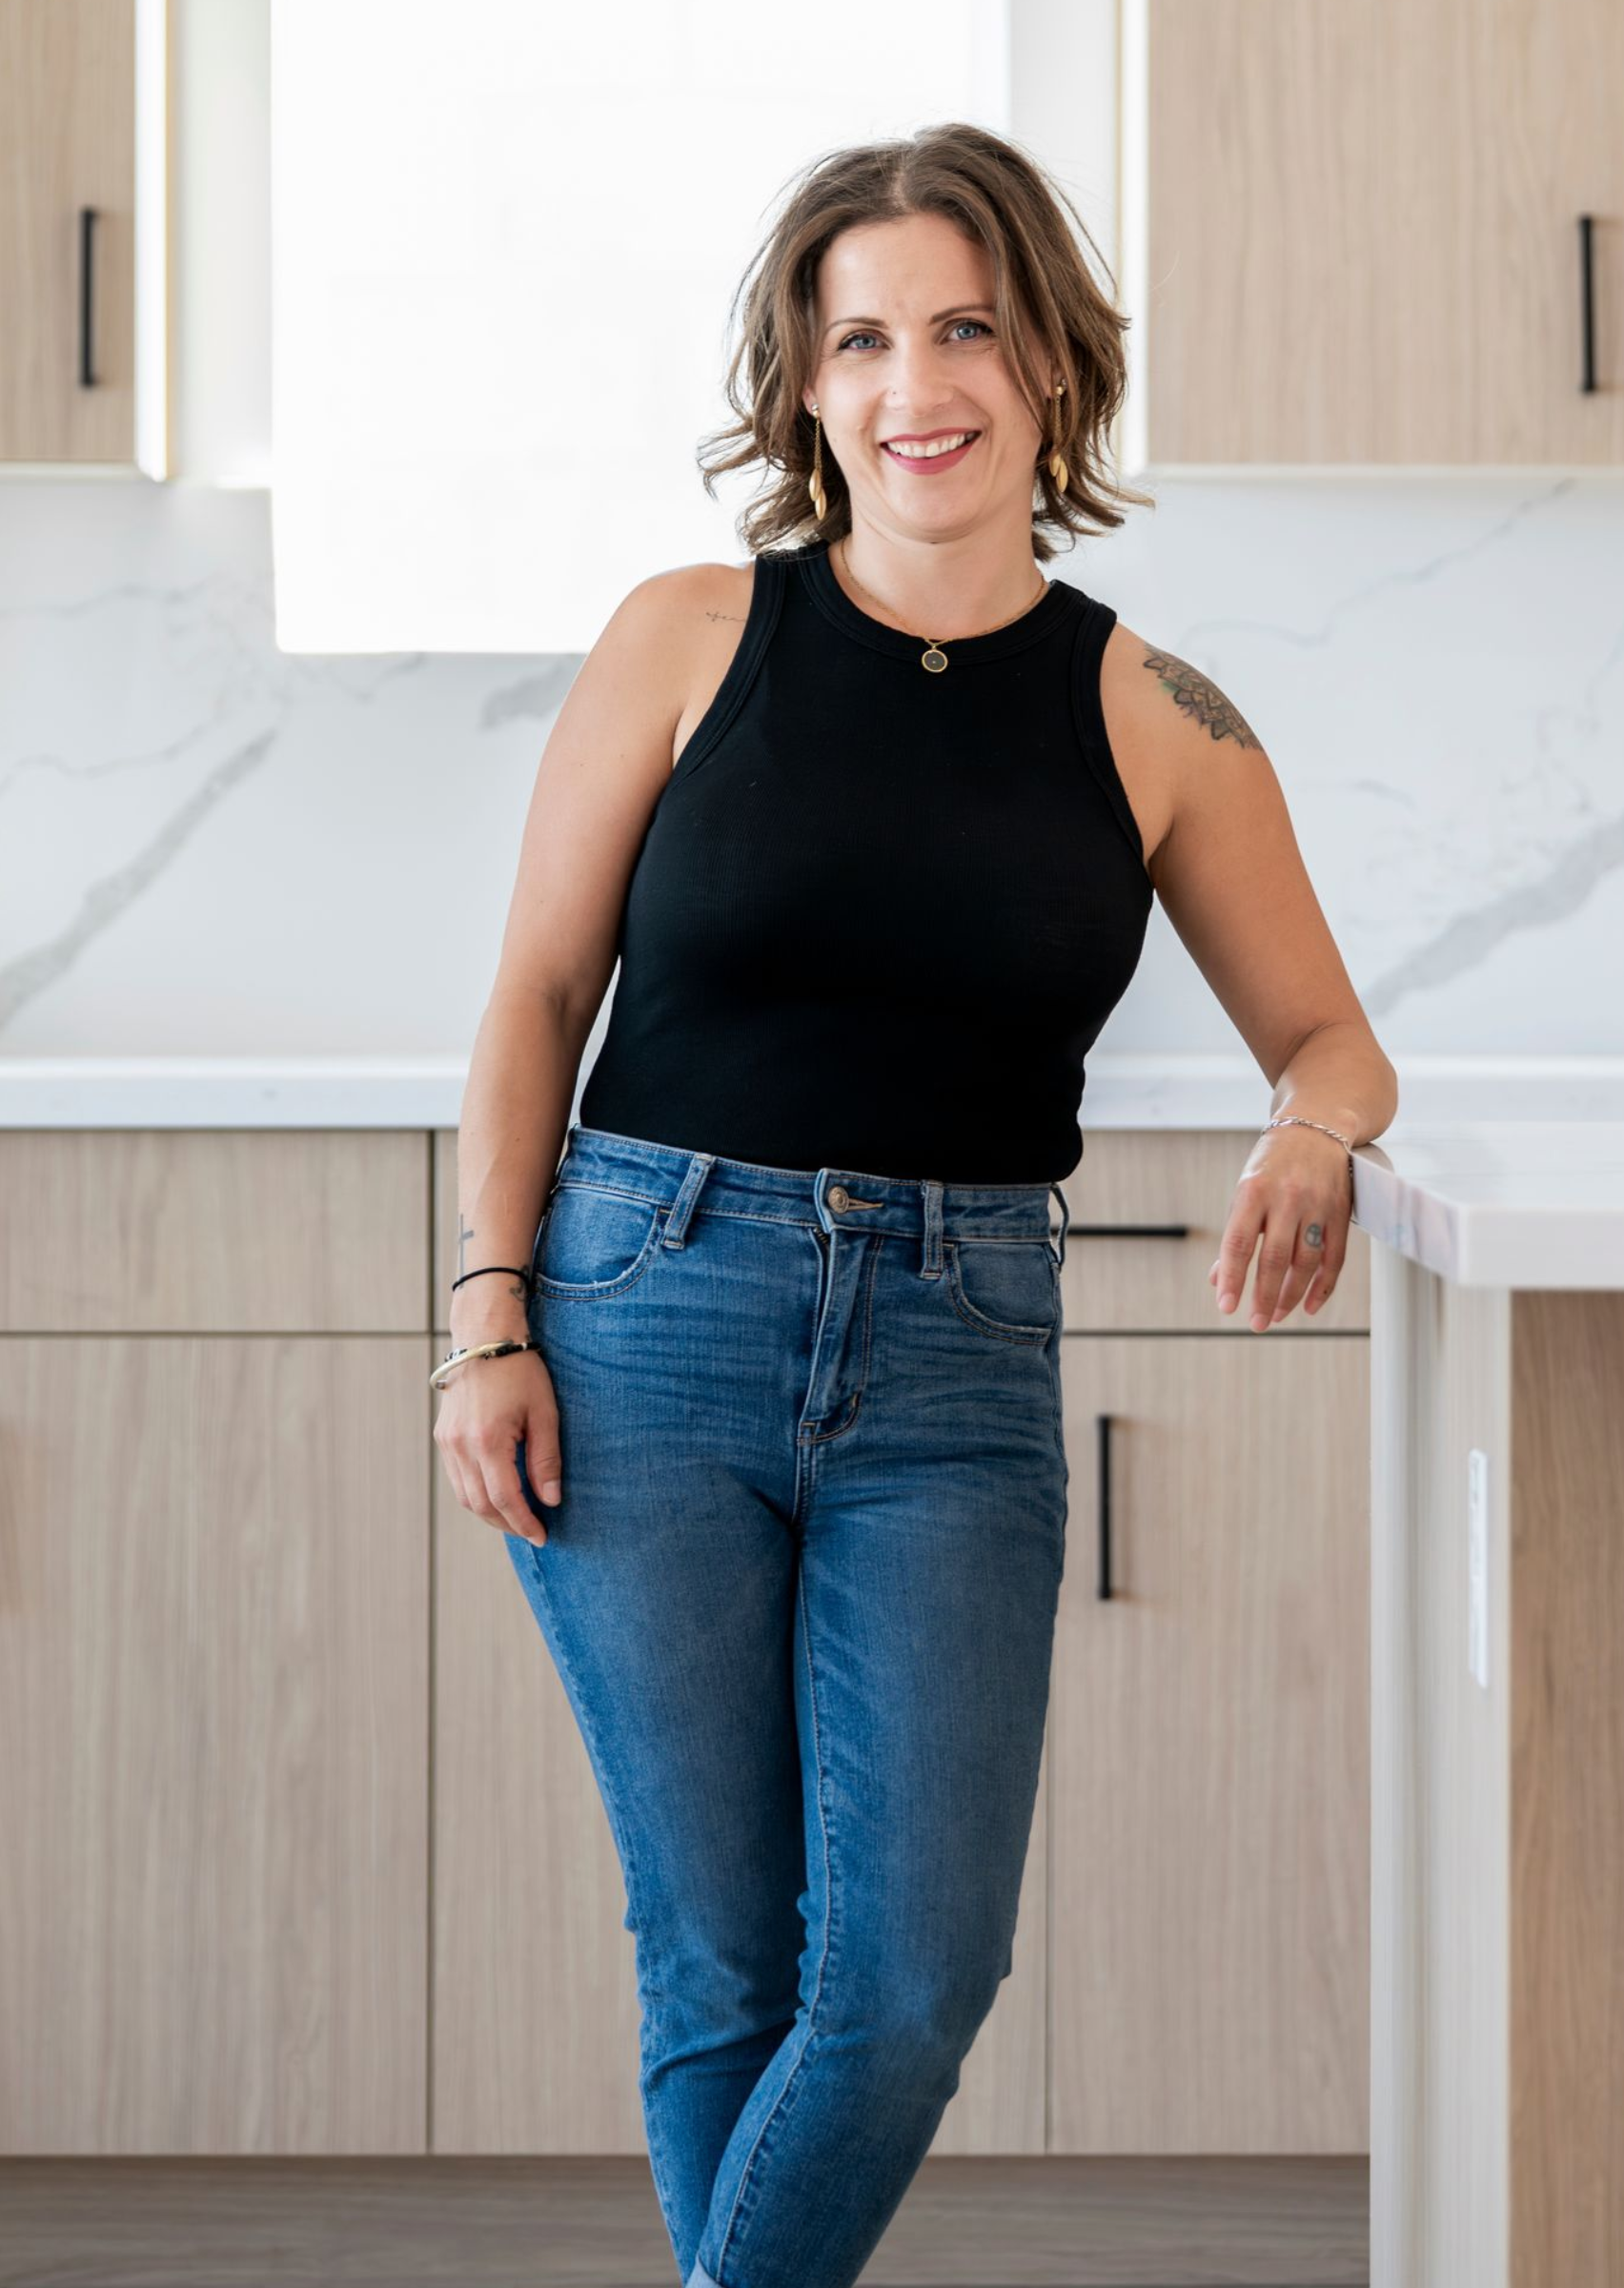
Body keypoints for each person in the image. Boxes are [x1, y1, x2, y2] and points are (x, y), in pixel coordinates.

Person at [432, 120, 1396, 2288]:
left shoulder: (1159, 716)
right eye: (859, 337)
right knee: (719, 1964)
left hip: (960, 1357)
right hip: (645, 1310)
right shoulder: (689, 634)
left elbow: (1332, 1038)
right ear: (802, 385)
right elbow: (533, 991)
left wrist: (1312, 1133)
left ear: (1049, 363)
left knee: (909, 1981)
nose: (912, 382)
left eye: (963, 327)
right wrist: (488, 1314)